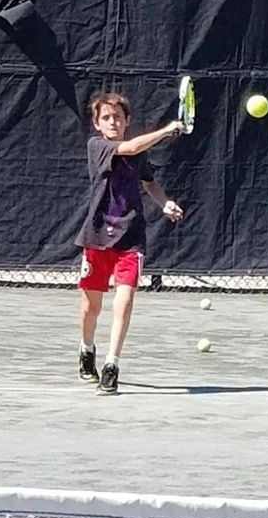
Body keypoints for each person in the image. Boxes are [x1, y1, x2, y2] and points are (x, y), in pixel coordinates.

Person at [74, 91, 185, 395]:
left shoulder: (139, 154)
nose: (112, 122)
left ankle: (112, 365)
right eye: (106, 118)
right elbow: (132, 146)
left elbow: (149, 182)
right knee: (90, 308)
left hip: (131, 238)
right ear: (97, 124)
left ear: (127, 121)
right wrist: (165, 130)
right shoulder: (97, 146)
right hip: (96, 236)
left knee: (124, 301)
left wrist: (164, 204)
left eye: (117, 117)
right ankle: (86, 349)